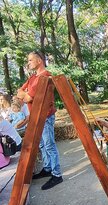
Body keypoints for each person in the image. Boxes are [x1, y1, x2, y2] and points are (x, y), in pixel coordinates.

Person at [17, 51, 63, 190]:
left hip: (46, 116)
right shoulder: (33, 77)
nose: (28, 63)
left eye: (30, 60)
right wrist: (23, 94)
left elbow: (28, 98)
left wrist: (24, 95)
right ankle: (48, 168)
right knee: (42, 145)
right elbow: (20, 93)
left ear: (39, 61)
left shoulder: (45, 77)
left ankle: (57, 174)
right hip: (35, 116)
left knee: (49, 145)